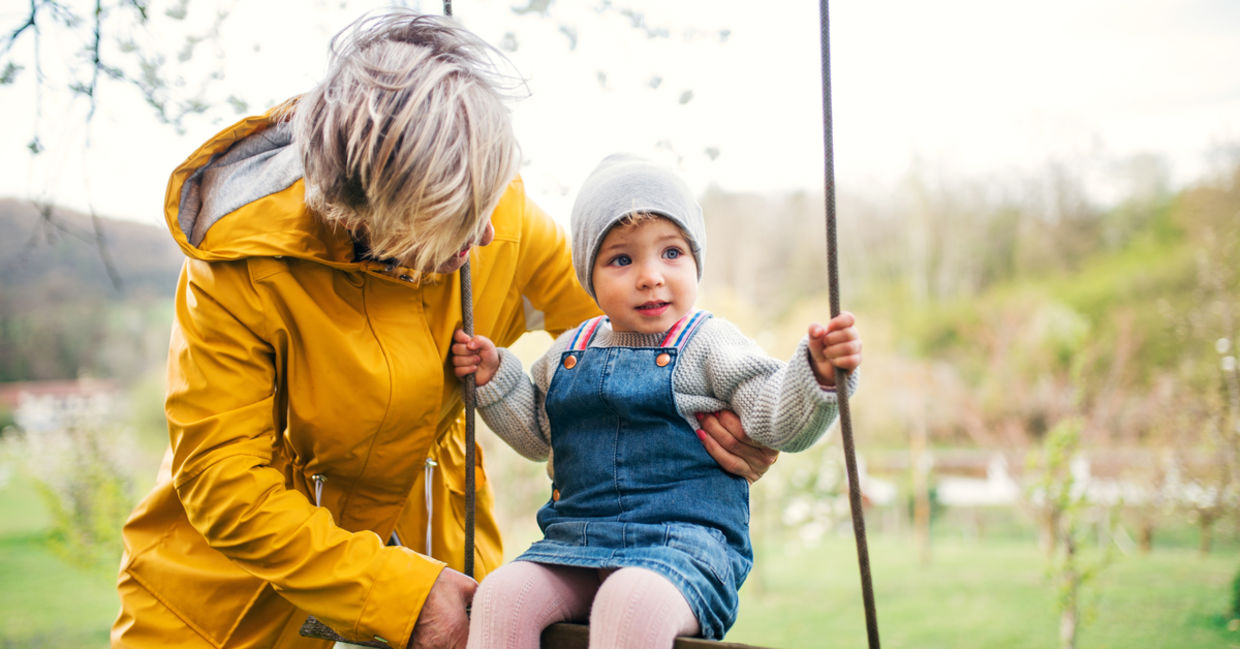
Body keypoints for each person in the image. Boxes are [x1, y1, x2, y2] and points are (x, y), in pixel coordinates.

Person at [110, 11, 775, 649]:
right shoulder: (236, 269)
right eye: (460, 220)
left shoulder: (488, 200)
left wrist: (723, 416)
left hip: (449, 573)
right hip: (234, 608)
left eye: (490, 203)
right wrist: (396, 594)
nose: (489, 233)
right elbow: (224, 479)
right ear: (366, 212)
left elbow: (640, 333)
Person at [451, 153, 863, 648]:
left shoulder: (710, 344)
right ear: (590, 276)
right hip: (578, 541)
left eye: (671, 253)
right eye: (622, 259)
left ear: (695, 261)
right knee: (501, 595)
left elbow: (776, 419)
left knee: (629, 601)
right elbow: (538, 436)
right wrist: (496, 378)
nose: (650, 276)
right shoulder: (570, 349)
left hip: (683, 550)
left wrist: (815, 375)